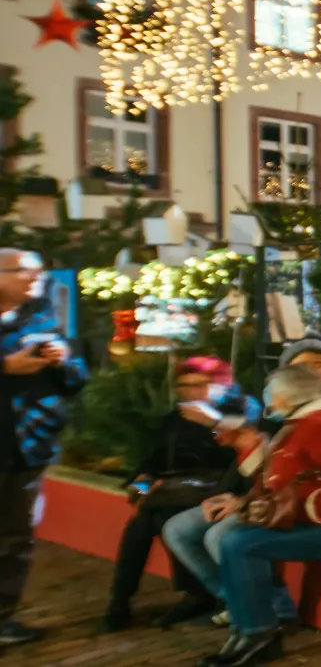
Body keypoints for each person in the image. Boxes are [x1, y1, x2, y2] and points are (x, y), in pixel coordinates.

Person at [159, 332, 321, 630]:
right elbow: (268, 465)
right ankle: (240, 602)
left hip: (303, 507)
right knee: (178, 528)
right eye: (301, 365)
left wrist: (303, 507)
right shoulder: (284, 414)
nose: (311, 370)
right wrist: (238, 493)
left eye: (319, 363)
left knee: (226, 537)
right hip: (268, 496)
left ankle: (264, 612)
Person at [103, 356, 245, 630]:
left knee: (162, 521)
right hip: (177, 491)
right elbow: (150, 463)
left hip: (217, 491)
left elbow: (243, 455)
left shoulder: (235, 415)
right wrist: (141, 484)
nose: (194, 392)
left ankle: (197, 595)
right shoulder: (173, 419)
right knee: (142, 521)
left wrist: (212, 423)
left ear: (220, 385)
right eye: (186, 386)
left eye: (202, 385)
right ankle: (119, 599)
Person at [0, 248, 86, 649]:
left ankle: (3, 618)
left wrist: (63, 359)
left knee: (17, 539)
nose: (36, 280)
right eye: (25, 272)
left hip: (29, 449)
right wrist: (5, 367)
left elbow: (75, 381)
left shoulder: (41, 317)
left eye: (40, 273)